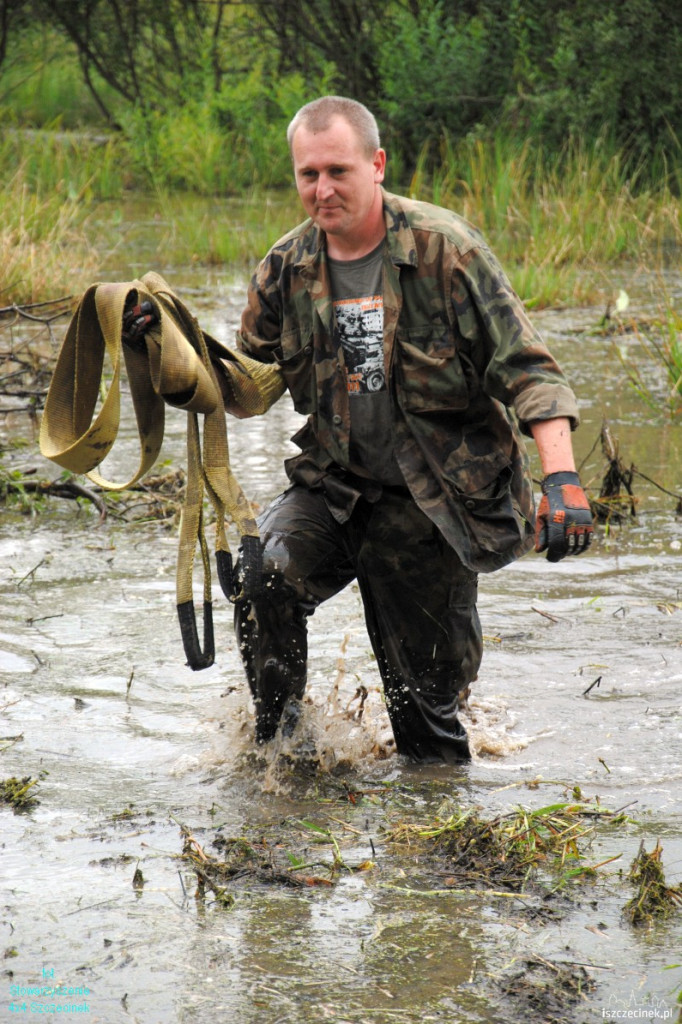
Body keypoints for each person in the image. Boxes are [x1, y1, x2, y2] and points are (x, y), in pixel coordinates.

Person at [218, 95, 593, 763]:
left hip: (432, 501)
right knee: (263, 574)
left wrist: (561, 479)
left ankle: (433, 843)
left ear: (377, 164)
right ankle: (283, 762)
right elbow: (244, 390)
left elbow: (529, 371)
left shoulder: (447, 251)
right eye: (308, 174)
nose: (322, 189)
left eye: (338, 170)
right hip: (333, 487)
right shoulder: (286, 267)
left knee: (426, 724)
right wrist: (163, 351)